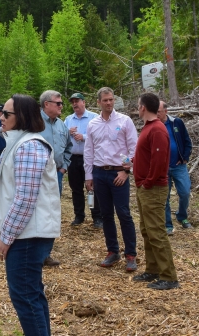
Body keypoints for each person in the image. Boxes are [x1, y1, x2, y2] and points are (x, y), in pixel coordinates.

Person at [0, 94, 60, 336]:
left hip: (28, 236)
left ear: (21, 117)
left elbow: (25, 198)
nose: (1, 117)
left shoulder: (29, 146)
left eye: (6, 114)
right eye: (1, 111)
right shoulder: (18, 143)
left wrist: (6, 237)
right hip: (25, 233)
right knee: (30, 295)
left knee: (26, 297)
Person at [84, 87, 138, 270]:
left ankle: (130, 254)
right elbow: (89, 151)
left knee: (123, 213)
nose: (108, 103)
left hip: (118, 173)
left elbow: (132, 148)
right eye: (105, 100)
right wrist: (89, 176)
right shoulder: (93, 124)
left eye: (111, 99)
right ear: (98, 102)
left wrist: (126, 171)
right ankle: (112, 251)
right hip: (99, 173)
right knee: (106, 214)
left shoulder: (124, 121)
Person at [131, 93, 179, 290]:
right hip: (145, 187)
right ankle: (152, 269)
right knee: (147, 229)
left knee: (156, 231)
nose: (138, 107)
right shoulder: (148, 128)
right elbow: (149, 156)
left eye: (138, 105)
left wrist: (148, 182)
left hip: (153, 189)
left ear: (143, 108)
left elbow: (159, 163)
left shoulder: (157, 129)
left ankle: (169, 276)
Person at [38, 90, 72, 267]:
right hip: (36, 176)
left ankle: (45, 254)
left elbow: (68, 148)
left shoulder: (61, 125)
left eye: (61, 103)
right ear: (46, 104)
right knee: (35, 211)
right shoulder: (33, 122)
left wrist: (64, 167)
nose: (61, 106)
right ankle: (33, 251)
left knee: (51, 213)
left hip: (56, 175)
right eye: (58, 103)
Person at [64, 92, 102, 229]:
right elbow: (61, 136)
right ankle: (79, 216)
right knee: (76, 189)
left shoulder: (94, 118)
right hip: (73, 159)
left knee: (91, 188)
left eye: (77, 101)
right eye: (72, 102)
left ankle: (96, 216)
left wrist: (84, 136)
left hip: (89, 159)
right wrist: (68, 133)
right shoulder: (68, 120)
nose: (74, 104)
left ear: (83, 102)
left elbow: (100, 136)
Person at [157, 101, 193, 235]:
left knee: (185, 192)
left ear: (165, 111)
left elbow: (187, 142)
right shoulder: (154, 125)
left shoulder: (177, 123)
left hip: (179, 166)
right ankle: (168, 225)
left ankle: (182, 216)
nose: (156, 114)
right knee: (164, 196)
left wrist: (184, 157)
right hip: (162, 168)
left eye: (158, 112)